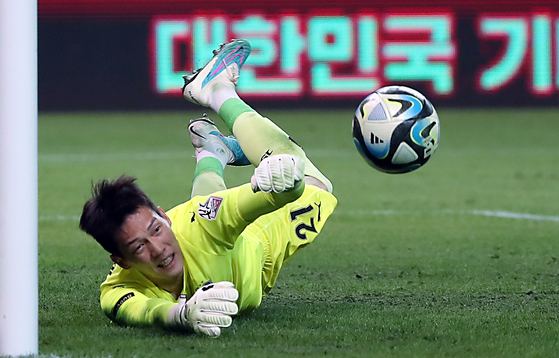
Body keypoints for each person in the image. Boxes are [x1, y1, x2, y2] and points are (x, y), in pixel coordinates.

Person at [79, 39, 337, 337]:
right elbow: (144, 311)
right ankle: (213, 153)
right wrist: (182, 315)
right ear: (121, 261)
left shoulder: (206, 222)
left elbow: (283, 193)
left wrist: (283, 176)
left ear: (165, 217)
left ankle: (219, 92)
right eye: (139, 247)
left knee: (313, 181)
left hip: (256, 247)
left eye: (156, 229)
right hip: (205, 233)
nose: (158, 249)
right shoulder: (119, 289)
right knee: (204, 214)